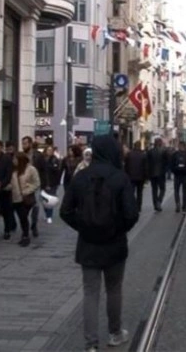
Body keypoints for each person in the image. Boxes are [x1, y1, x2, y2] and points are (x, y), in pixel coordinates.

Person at [60, 135, 138, 351]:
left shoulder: (81, 177)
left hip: (88, 243)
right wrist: (119, 228)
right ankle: (114, 333)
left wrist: (84, 227)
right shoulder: (120, 178)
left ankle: (91, 344)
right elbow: (132, 213)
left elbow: (65, 211)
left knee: (90, 293)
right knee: (114, 289)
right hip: (114, 243)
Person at [10, 152, 41, 247]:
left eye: (15, 159)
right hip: (16, 198)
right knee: (21, 217)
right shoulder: (14, 171)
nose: (13, 161)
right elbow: (12, 184)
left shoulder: (31, 169)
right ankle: (24, 233)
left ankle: (26, 236)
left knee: (23, 216)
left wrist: (27, 191)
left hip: (26, 198)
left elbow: (37, 183)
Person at [124, 141, 148, 213]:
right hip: (140, 177)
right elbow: (145, 167)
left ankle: (132, 206)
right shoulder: (143, 155)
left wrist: (126, 175)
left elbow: (126, 166)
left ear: (134, 146)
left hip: (131, 177)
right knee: (139, 193)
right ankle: (139, 207)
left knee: (131, 192)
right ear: (140, 146)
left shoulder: (129, 154)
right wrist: (146, 177)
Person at [147, 138, 169, 212]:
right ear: (160, 143)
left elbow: (147, 164)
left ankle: (155, 204)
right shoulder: (164, 151)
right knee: (162, 189)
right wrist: (165, 170)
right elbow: (167, 162)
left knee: (154, 190)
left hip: (152, 173)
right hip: (161, 174)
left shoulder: (150, 151)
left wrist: (148, 173)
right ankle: (159, 202)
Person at [42, 146, 62, 223]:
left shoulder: (55, 159)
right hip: (43, 182)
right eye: (48, 150)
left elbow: (57, 170)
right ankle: (47, 212)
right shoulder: (42, 159)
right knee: (44, 199)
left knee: (50, 199)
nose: (49, 151)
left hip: (53, 182)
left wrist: (50, 166)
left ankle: (49, 216)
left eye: (51, 150)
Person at [170, 141, 186, 213]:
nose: (180, 147)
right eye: (180, 146)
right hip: (182, 175)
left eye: (181, 146)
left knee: (180, 191)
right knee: (182, 191)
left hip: (180, 175)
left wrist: (175, 170)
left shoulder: (175, 154)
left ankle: (180, 205)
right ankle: (181, 206)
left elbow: (171, 165)